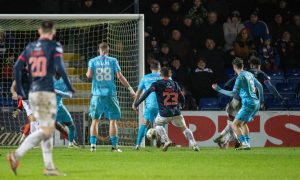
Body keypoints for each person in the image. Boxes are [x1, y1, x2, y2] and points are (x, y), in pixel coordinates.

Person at [7, 21, 75, 176]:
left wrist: (20, 91)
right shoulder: (54, 46)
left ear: (39, 31)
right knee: (46, 130)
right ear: (53, 32)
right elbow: (60, 68)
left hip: (33, 92)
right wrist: (69, 86)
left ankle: (49, 167)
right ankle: (16, 155)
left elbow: (17, 67)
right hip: (46, 92)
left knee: (47, 129)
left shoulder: (30, 47)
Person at [214, 57, 284, 148]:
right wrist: (265, 99)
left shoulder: (241, 75)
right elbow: (263, 86)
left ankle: (231, 140)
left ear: (235, 67)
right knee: (241, 123)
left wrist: (219, 89)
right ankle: (238, 141)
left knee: (233, 123)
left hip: (240, 101)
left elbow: (230, 88)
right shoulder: (253, 74)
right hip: (254, 102)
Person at [133, 67, 199, 152]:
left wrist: (137, 103)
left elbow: (146, 93)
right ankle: (194, 145)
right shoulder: (175, 84)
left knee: (158, 124)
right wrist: (181, 105)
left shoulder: (157, 84)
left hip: (164, 113)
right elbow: (182, 97)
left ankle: (166, 140)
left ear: (160, 75)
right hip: (176, 112)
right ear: (170, 75)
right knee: (185, 128)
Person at [86, 42, 135, 152]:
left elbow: (88, 75)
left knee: (95, 121)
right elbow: (119, 76)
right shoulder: (113, 61)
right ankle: (114, 147)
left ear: (99, 50)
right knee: (113, 121)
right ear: (108, 51)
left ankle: (93, 146)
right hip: (110, 95)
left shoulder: (93, 61)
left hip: (97, 95)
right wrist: (130, 89)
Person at [212, 58, 263, 150]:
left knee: (234, 125)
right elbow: (259, 86)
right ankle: (247, 144)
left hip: (248, 103)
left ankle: (243, 143)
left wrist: (219, 89)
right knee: (243, 124)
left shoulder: (239, 78)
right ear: (243, 66)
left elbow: (232, 93)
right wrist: (261, 100)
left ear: (234, 67)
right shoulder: (250, 74)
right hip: (256, 103)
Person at [133, 60, 161, 150]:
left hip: (150, 105)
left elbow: (138, 92)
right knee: (160, 124)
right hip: (162, 106)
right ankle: (161, 142)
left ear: (150, 68)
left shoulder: (145, 78)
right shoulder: (165, 77)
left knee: (145, 123)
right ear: (159, 68)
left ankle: (137, 144)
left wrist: (135, 103)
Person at [54, 72, 78, 148]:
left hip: (59, 106)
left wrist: (58, 92)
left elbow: (70, 95)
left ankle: (71, 144)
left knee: (72, 126)